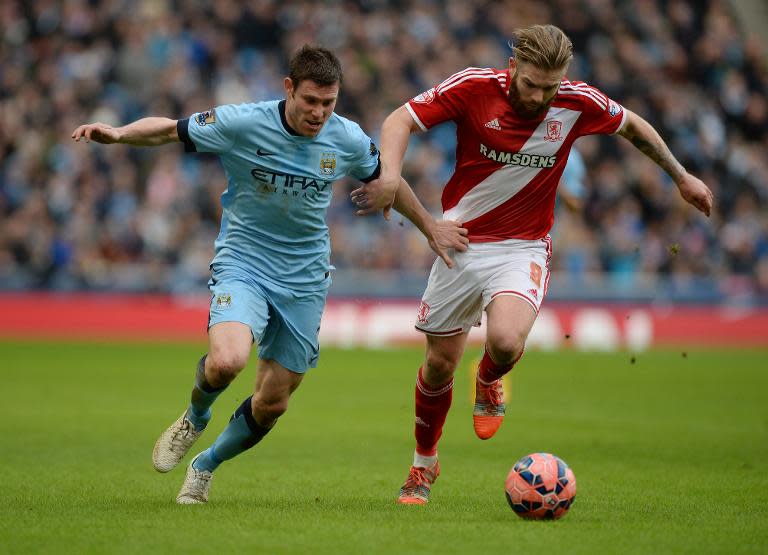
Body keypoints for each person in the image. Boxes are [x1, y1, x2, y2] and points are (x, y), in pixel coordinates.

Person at [72, 45, 467, 504]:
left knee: (273, 401)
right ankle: (195, 417)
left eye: (328, 103)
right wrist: (119, 134)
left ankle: (206, 465)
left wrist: (430, 228)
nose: (319, 113)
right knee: (226, 362)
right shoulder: (244, 123)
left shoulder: (348, 139)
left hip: (304, 279)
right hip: (244, 261)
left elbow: (389, 182)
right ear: (288, 89)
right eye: (310, 101)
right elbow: (170, 130)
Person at [354, 24, 714, 505]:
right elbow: (400, 119)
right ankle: (423, 465)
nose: (540, 96)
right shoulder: (473, 87)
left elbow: (633, 126)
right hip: (458, 240)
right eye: (531, 85)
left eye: (550, 87)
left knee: (504, 341)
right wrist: (392, 177)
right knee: (439, 365)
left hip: (523, 246)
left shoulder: (576, 100)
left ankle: (488, 378)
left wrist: (681, 176)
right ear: (512, 69)